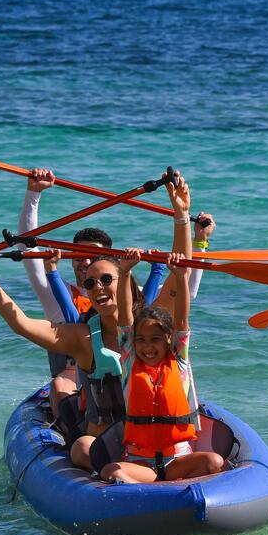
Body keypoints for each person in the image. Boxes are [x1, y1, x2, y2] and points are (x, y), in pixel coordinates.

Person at [0, 173, 196, 473]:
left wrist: (181, 215)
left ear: (125, 284)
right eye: (90, 284)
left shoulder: (151, 324)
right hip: (108, 443)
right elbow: (22, 324)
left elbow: (181, 268)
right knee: (81, 446)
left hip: (157, 442)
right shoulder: (82, 337)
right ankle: (114, 475)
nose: (97, 287)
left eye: (106, 280)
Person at [17, 168, 214, 445]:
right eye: (79, 255)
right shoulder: (60, 298)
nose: (86, 264)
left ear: (115, 269)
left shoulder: (138, 303)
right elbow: (30, 256)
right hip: (86, 389)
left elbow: (183, 287)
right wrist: (33, 194)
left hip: (138, 392)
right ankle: (74, 442)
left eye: (94, 258)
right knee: (61, 383)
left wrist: (195, 236)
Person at [94, 193, 225, 484]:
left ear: (168, 340)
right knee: (110, 471)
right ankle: (150, 498)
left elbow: (182, 318)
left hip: (178, 459)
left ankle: (177, 495)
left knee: (214, 461)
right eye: (141, 340)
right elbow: (126, 319)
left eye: (155, 339)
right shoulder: (130, 359)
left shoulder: (178, 358)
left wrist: (179, 276)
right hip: (140, 463)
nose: (147, 347)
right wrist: (125, 272)